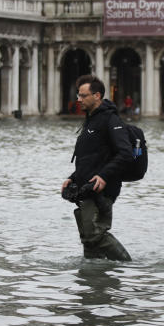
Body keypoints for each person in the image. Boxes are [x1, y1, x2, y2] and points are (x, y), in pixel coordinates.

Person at [61, 74, 133, 261]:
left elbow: (125, 153)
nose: (79, 100)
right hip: (86, 189)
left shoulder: (111, 120)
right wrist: (73, 178)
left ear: (97, 96)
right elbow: (89, 159)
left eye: (83, 96)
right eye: (78, 95)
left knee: (94, 234)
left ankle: (129, 266)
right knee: (88, 240)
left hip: (102, 190)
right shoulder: (90, 120)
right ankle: (93, 285)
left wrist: (104, 176)